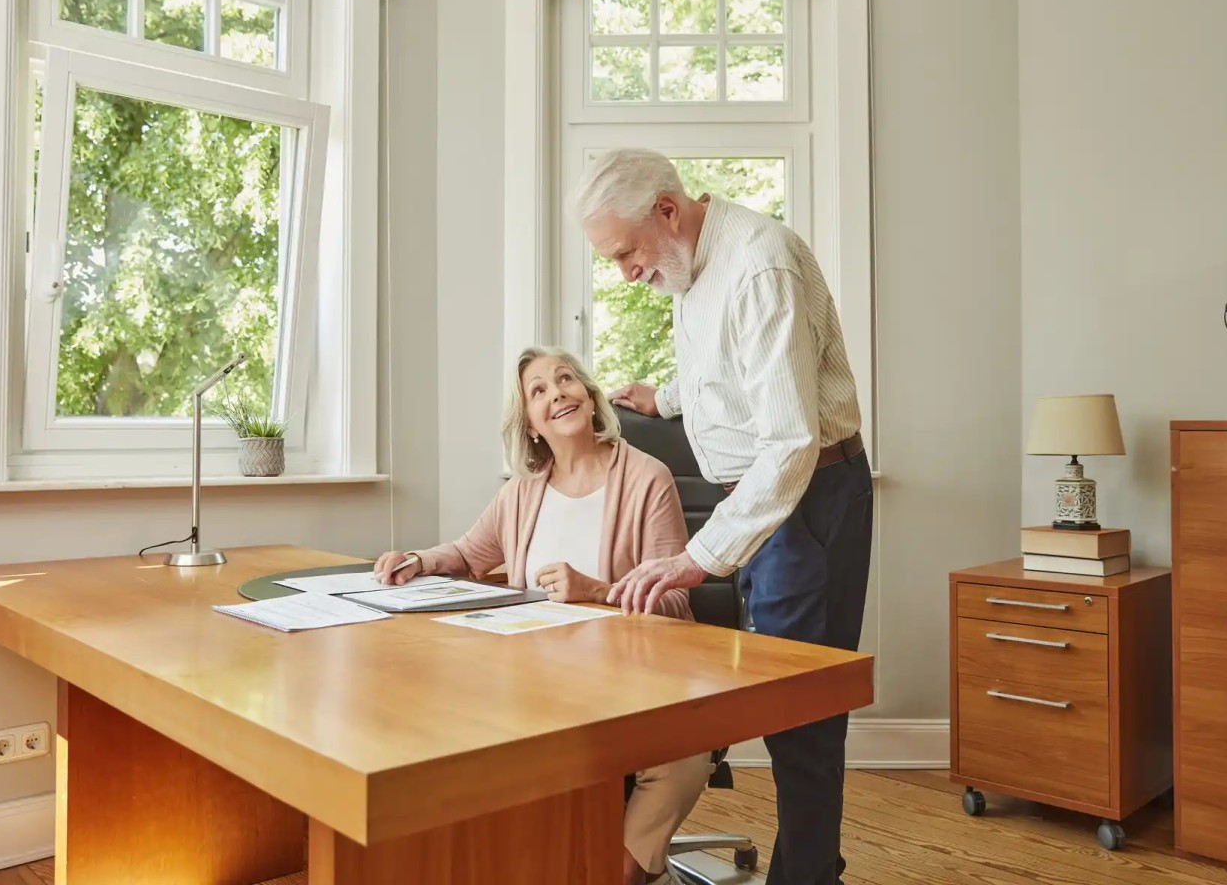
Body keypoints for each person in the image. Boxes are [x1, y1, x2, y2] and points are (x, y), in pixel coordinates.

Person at [575, 149, 873, 885]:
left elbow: (790, 441)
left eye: (626, 252)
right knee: (785, 710)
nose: (625, 273)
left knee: (799, 713)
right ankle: (815, 866)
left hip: (803, 500)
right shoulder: (692, 261)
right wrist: (668, 397)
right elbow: (739, 367)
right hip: (769, 503)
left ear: (668, 212)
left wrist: (698, 556)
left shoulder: (759, 263)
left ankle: (807, 876)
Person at [373, 345, 709, 885]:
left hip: (633, 679)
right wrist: (417, 560)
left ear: (589, 396)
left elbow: (674, 599)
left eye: (566, 380)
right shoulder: (522, 493)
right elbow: (466, 553)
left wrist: (597, 590)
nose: (557, 394)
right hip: (538, 688)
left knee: (681, 757)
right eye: (539, 390)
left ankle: (626, 871)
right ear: (530, 424)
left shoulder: (648, 477)